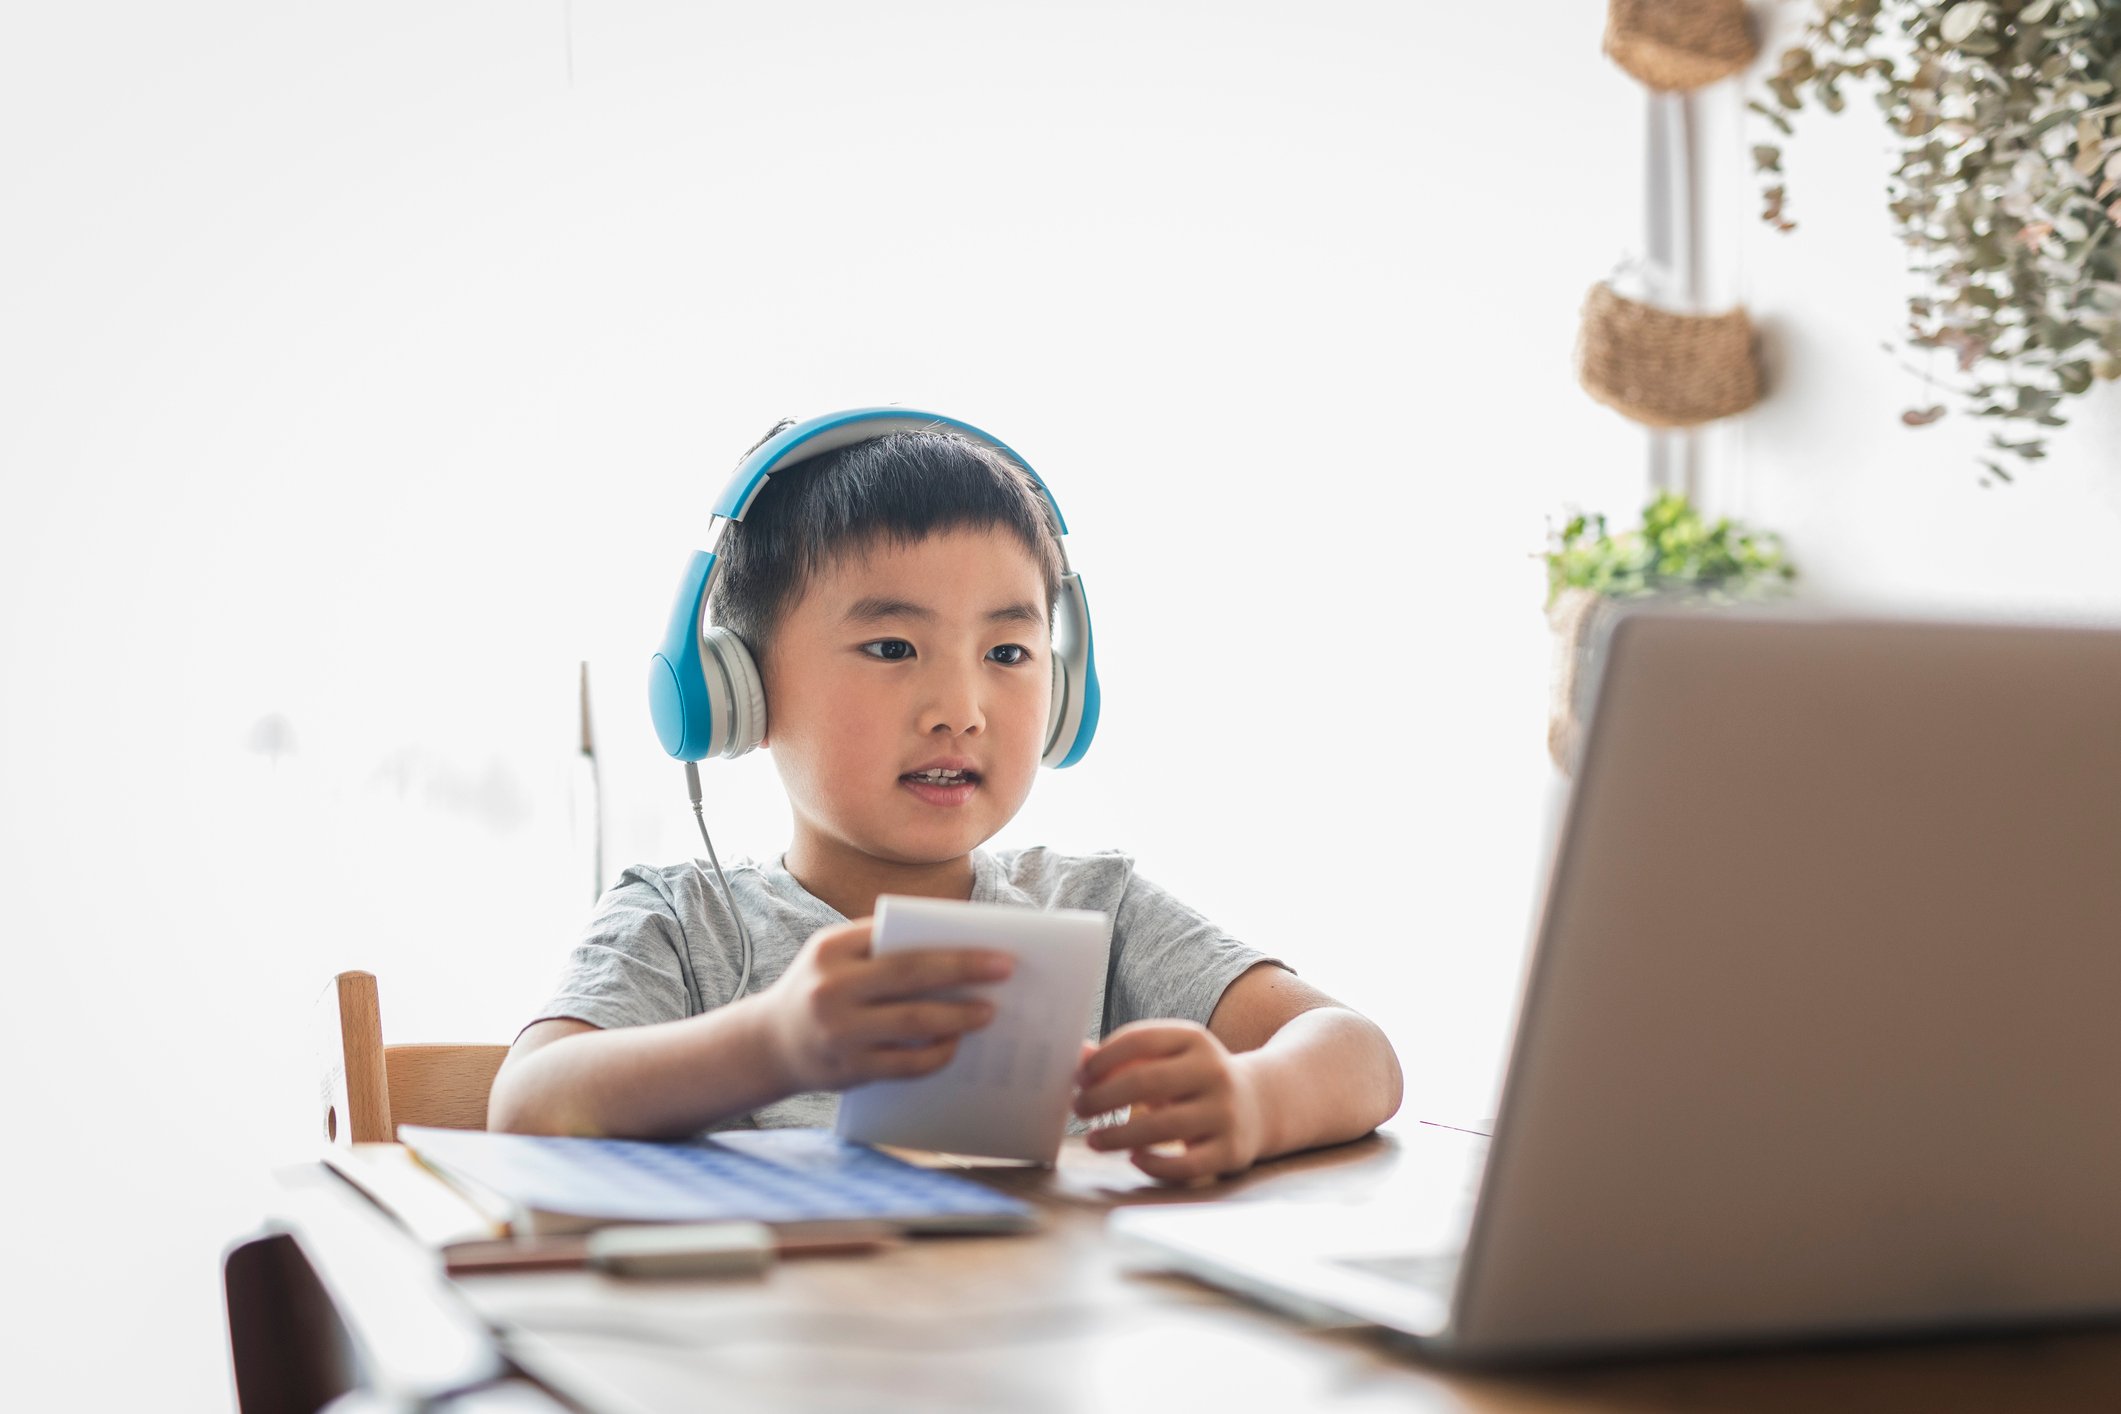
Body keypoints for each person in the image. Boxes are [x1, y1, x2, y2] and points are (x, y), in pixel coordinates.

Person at [488, 414, 1403, 1182]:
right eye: (892, 648)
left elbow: (1357, 1053)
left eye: (1007, 653)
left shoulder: (1095, 910)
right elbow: (528, 1105)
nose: (959, 710)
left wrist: (1254, 1099)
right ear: (741, 692)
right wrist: (772, 1043)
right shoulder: (680, 924)